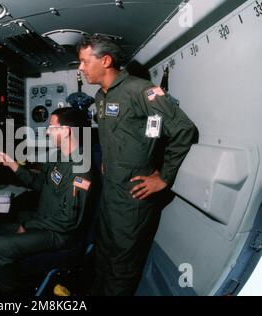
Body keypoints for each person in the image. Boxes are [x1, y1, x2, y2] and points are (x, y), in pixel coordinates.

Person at [77, 34, 198, 295]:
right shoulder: (100, 96)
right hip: (110, 192)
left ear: (106, 60)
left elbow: (184, 130)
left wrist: (163, 178)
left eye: (85, 61)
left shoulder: (140, 90)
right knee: (104, 252)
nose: (81, 67)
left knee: (122, 264)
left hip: (133, 197)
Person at [0, 107, 94, 294]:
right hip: (46, 221)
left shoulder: (80, 169)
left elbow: (68, 220)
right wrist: (12, 164)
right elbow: (41, 184)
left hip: (60, 234)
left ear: (66, 131)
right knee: (0, 229)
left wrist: (29, 226)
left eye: (52, 127)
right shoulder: (59, 156)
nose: (47, 131)